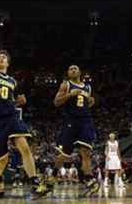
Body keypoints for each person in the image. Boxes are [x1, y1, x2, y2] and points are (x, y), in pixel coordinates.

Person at [0, 50, 51, 198]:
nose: (1, 59)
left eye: (3, 57)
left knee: (25, 147)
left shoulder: (12, 81)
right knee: (1, 159)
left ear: (7, 62)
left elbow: (8, 100)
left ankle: (35, 183)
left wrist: (18, 102)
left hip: (11, 117)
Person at [53, 65, 99, 195]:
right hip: (71, 121)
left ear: (80, 72)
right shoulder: (65, 85)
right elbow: (56, 102)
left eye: (75, 68)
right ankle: (53, 175)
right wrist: (69, 95)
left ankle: (89, 180)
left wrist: (90, 101)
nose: (73, 70)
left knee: (86, 152)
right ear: (68, 73)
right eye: (70, 69)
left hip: (85, 121)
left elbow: (86, 103)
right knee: (65, 154)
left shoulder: (87, 87)